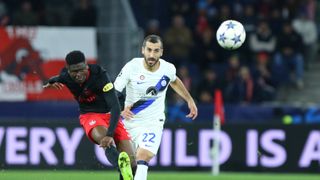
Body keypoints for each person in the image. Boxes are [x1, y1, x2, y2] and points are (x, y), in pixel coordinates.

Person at [114, 35, 198, 180]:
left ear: (161, 52)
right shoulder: (131, 67)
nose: (152, 55)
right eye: (149, 50)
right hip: (129, 122)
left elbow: (174, 80)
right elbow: (114, 92)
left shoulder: (167, 68)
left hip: (153, 123)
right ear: (143, 50)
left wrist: (189, 100)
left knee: (143, 157)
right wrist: (120, 110)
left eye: (156, 51)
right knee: (129, 167)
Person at [43, 50, 135, 180]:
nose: (79, 74)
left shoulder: (100, 75)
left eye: (81, 69)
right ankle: (121, 166)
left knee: (133, 164)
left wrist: (110, 135)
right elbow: (55, 78)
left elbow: (115, 106)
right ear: (68, 70)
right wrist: (50, 83)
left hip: (111, 113)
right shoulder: (66, 77)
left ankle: (123, 168)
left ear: (87, 65)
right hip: (90, 115)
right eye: (74, 71)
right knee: (106, 141)